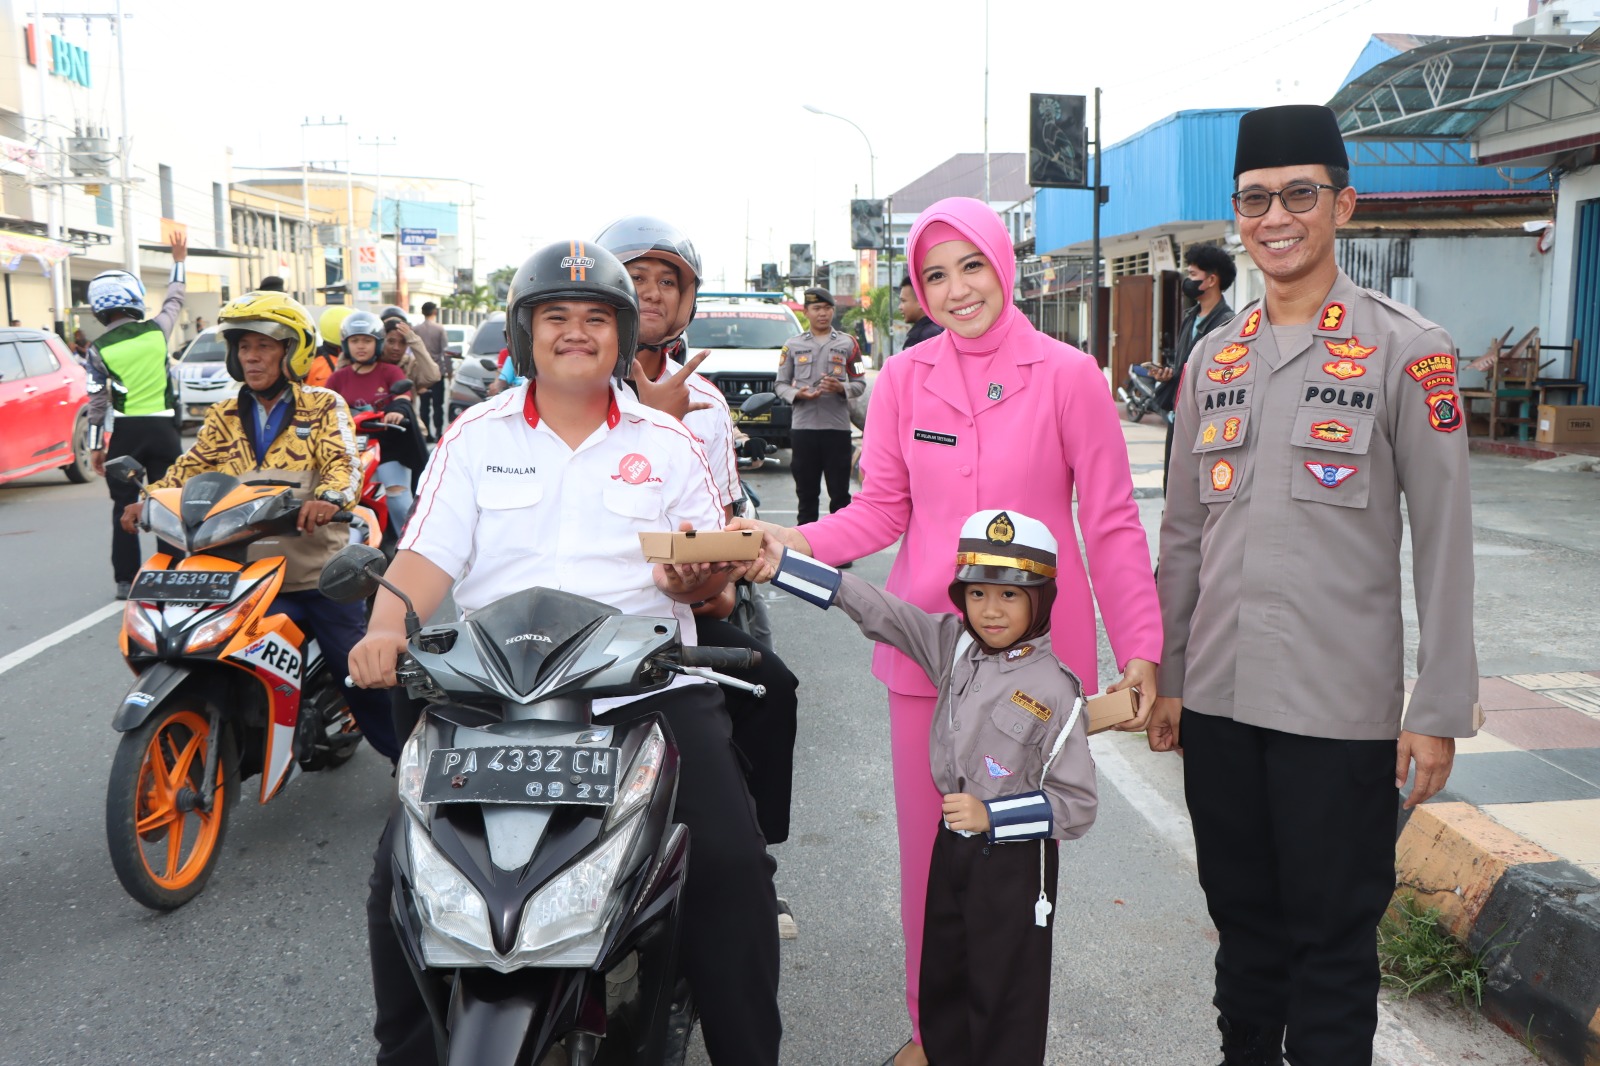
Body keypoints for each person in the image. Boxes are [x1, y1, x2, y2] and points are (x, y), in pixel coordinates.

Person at [739, 196, 1161, 1066]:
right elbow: (881, 510)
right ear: (919, 290)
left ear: (1004, 263)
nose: (957, 288)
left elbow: (1111, 521)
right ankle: (934, 1037)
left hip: (1034, 676)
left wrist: (1142, 651)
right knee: (928, 869)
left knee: (1008, 869)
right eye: (936, 274)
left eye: (972, 264)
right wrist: (793, 542)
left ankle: (998, 1043)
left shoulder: (1068, 373)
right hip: (926, 658)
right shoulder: (903, 379)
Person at [348, 241, 781, 1066]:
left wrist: (699, 583)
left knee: (731, 868)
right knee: (398, 876)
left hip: (642, 692)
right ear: (524, 333)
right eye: (556, 318)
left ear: (621, 335)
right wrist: (384, 627)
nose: (576, 333)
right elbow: (425, 557)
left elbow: (711, 586)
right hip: (491, 699)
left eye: (594, 318)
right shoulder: (476, 434)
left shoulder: (666, 441)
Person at [1150, 104, 1480, 1066]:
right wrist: (1167, 675)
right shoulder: (1215, 357)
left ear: (1343, 205)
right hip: (1217, 701)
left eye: (1300, 194)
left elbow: (1445, 541)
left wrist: (1439, 706)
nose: (1276, 217)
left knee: (1333, 944)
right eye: (1256, 199)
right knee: (1243, 934)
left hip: (1341, 717)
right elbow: (1181, 536)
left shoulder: (1408, 350)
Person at [754, 509, 1095, 1066]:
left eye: (1011, 597)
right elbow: (879, 611)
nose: (990, 610)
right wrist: (789, 566)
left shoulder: (1057, 690)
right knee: (944, 979)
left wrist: (994, 817)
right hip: (952, 846)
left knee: (1005, 998)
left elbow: (1077, 805)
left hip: (1011, 866)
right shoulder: (955, 647)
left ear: (1042, 600)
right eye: (978, 593)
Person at [118, 290, 399, 762]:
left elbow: (344, 463)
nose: (252, 356)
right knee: (195, 645)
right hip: (237, 571)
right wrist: (146, 499)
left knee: (356, 669)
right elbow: (191, 466)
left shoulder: (323, 405)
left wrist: (328, 499)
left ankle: (405, 758)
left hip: (313, 573)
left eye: (264, 346)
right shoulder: (225, 414)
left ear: (292, 351)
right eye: (244, 346)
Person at [595, 215, 802, 851]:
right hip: (564, 613)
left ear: (687, 301)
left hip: (665, 612)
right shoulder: (561, 386)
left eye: (668, 281)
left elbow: (711, 530)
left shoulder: (707, 402)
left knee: (771, 684)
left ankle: (752, 852)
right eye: (635, 279)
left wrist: (712, 580)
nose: (652, 292)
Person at [86, 233, 188, 600]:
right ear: (134, 300)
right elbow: (176, 297)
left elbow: (97, 403)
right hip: (164, 431)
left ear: (99, 309)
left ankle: (126, 581)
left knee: (122, 508)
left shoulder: (97, 350)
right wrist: (179, 259)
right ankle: (172, 572)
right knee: (166, 504)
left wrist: (95, 446)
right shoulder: (157, 330)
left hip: (125, 434)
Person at [775, 287, 865, 528]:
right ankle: (805, 553)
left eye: (826, 308)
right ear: (806, 312)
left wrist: (841, 388)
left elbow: (860, 383)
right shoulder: (792, 345)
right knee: (806, 496)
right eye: (816, 309)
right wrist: (797, 394)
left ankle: (841, 549)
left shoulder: (849, 344)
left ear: (833, 311)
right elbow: (780, 385)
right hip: (804, 430)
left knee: (840, 497)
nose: (822, 313)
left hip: (837, 430)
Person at [1148, 243, 1235, 489]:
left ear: (1211, 280)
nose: (1188, 280)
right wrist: (1168, 376)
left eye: (1193, 275)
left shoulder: (1228, 325)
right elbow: (1184, 365)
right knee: (1173, 485)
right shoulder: (1190, 316)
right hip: (1178, 417)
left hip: (1204, 421)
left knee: (1198, 487)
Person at [327, 311, 415, 532]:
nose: (361, 346)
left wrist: (396, 410)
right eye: (355, 341)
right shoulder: (338, 377)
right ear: (346, 345)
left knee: (398, 497)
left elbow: (404, 396)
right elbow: (322, 406)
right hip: (347, 448)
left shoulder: (390, 371)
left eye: (367, 340)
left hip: (387, 446)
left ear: (378, 344)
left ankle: (408, 544)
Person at [412, 301, 450, 440]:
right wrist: (449, 372)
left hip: (422, 374)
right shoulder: (439, 329)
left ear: (422, 312)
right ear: (434, 312)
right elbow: (445, 352)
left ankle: (426, 433)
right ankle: (439, 432)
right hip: (437, 372)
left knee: (424, 406)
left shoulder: (416, 330)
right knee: (438, 405)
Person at [899, 274, 943, 350]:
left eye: (903, 301)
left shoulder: (918, 338)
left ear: (920, 301)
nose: (900, 307)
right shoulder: (942, 329)